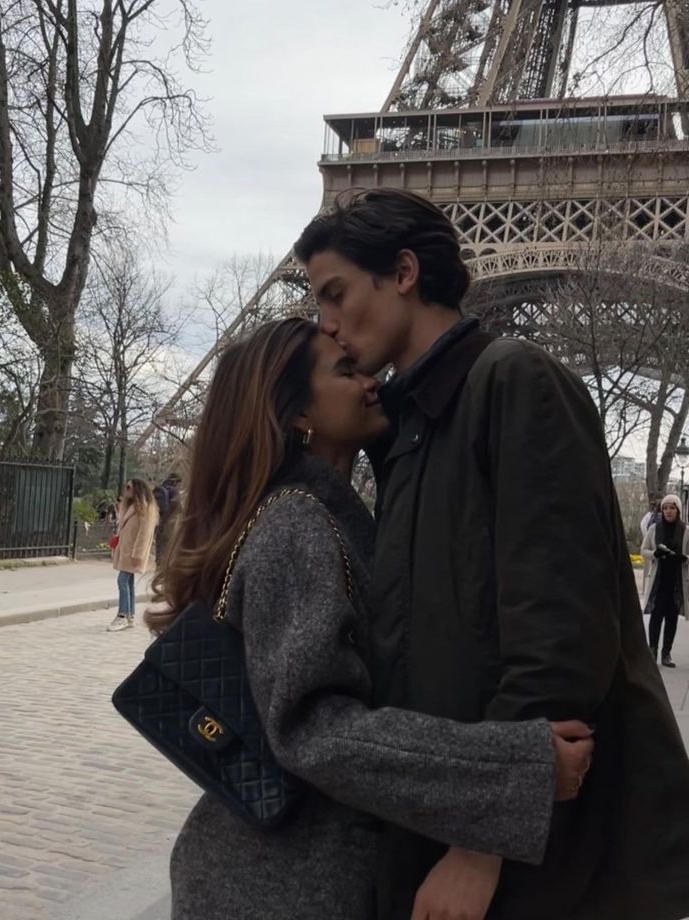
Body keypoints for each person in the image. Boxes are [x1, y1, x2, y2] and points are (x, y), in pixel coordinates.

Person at [294, 188, 689, 920]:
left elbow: (560, 640)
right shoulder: (409, 428)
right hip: (448, 821)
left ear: (404, 271)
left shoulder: (515, 382)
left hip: (534, 854)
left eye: (336, 293)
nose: (327, 322)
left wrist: (481, 848)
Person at [146, 318, 593, 920]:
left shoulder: (320, 514)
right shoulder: (298, 525)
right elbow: (313, 728)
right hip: (278, 887)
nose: (372, 381)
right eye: (347, 371)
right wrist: (514, 769)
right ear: (299, 413)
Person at [642, 494, 689, 667]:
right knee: (656, 616)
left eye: (672, 508)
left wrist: (685, 558)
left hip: (677, 582)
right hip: (659, 580)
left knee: (672, 619)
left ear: (677, 510)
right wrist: (654, 554)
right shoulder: (654, 529)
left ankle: (666, 653)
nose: (668, 511)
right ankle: (652, 650)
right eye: (665, 508)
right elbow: (643, 550)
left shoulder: (686, 531)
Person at [108, 478, 158, 633]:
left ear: (137, 489)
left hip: (133, 553)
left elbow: (144, 535)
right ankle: (130, 616)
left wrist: (137, 554)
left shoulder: (145, 509)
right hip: (126, 551)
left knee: (122, 581)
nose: (126, 490)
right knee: (128, 583)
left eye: (128, 487)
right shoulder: (131, 507)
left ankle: (122, 615)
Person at [153, 474, 182, 566]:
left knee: (160, 546)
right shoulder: (174, 492)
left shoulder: (160, 489)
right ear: (176, 482)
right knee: (168, 547)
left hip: (159, 522)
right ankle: (165, 568)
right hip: (170, 523)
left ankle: (158, 566)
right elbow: (178, 507)